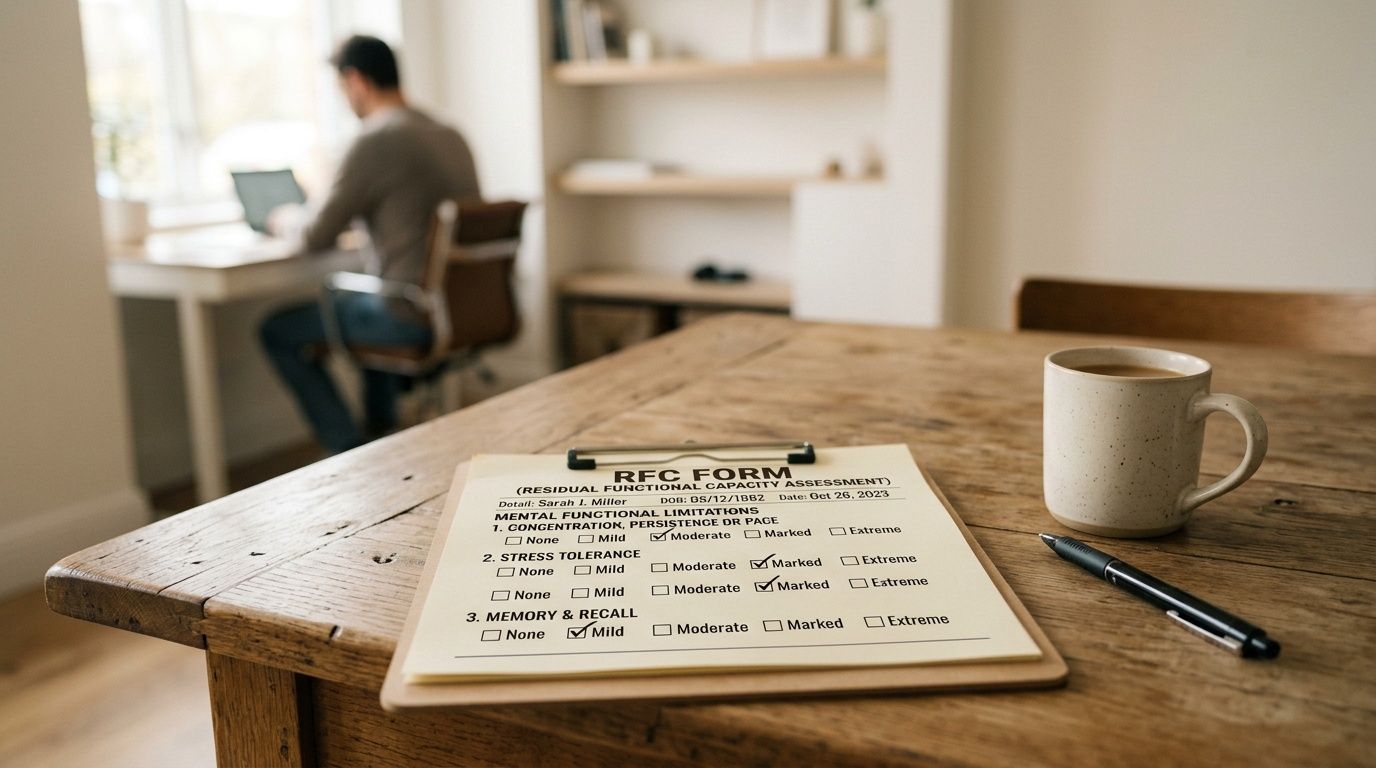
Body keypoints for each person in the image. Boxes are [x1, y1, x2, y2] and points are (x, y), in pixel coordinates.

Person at [260, 35, 480, 454]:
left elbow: (313, 236)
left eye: (341, 89)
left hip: (410, 311)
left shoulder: (376, 139)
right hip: (462, 307)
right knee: (361, 297)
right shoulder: (449, 132)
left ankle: (349, 450)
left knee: (277, 329)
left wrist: (283, 217)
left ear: (356, 81)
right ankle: (380, 437)